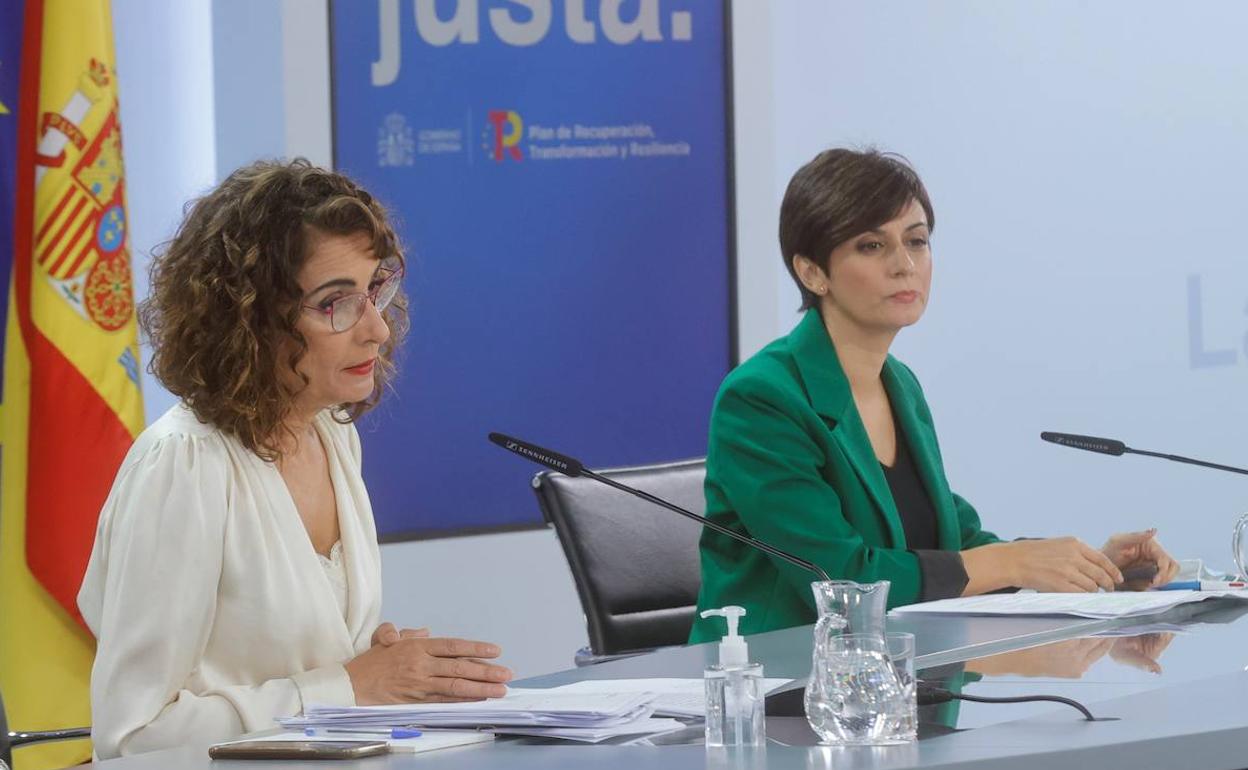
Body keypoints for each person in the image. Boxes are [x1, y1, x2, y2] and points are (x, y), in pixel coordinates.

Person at [77, 160, 513, 759]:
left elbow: (300, 669)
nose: (377, 330)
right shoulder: (183, 466)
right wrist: (352, 686)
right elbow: (130, 740)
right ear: (249, 320)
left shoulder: (331, 434)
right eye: (335, 303)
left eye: (374, 291)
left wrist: (375, 669)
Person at [689, 149, 1179, 642]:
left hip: (902, 681)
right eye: (871, 245)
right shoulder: (760, 399)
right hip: (779, 694)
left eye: (917, 241)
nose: (905, 265)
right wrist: (1012, 562)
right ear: (813, 272)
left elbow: (954, 543)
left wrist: (1090, 569)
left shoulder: (899, 383)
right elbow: (842, 581)